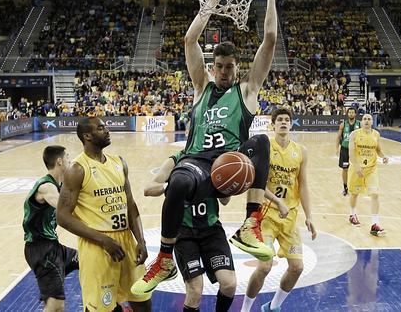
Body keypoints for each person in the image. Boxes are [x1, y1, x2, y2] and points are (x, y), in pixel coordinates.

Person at [131, 0, 278, 295]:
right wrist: (210, 3)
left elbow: (269, 39)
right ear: (213, 68)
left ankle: (251, 224)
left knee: (263, 142)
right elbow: (189, 40)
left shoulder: (247, 92)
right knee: (180, 183)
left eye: (229, 67)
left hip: (226, 165)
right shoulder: (201, 88)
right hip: (196, 165)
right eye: (219, 66)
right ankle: (165, 258)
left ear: (237, 69)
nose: (224, 71)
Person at [57, 117, 151, 312]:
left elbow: (130, 205)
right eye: (101, 128)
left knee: (142, 300)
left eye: (106, 127)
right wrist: (102, 239)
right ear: (87, 136)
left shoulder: (119, 163)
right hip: (97, 246)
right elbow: (63, 216)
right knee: (101, 308)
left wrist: (140, 240)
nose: (107, 130)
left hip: (126, 241)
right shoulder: (77, 169)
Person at [241, 108, 317, 312]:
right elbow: (257, 183)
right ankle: (246, 309)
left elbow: (304, 185)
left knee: (297, 267)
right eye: (279, 120)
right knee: (264, 266)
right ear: (272, 124)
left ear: (291, 124)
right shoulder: (265, 147)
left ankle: (273, 307)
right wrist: (278, 201)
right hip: (266, 215)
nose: (283, 122)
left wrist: (309, 216)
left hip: (289, 217)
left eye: (287, 120)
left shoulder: (301, 151)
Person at [144, 151, 236, 312]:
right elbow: (148, 189)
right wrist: (173, 187)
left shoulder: (216, 158)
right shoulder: (176, 159)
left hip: (211, 230)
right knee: (195, 290)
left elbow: (225, 200)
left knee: (229, 284)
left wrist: (227, 179)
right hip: (184, 232)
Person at [22, 146, 78, 312]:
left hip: (54, 247)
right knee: (56, 306)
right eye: (68, 157)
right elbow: (66, 209)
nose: (71, 160)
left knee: (89, 259)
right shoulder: (46, 187)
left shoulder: (58, 185)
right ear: (59, 161)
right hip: (41, 251)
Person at [347, 114, 389, 236]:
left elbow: (378, 150)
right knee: (354, 194)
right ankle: (352, 214)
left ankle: (375, 225)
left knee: (375, 194)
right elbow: (350, 152)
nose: (366, 121)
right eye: (364, 119)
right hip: (357, 169)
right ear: (361, 122)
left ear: (372, 122)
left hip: (372, 169)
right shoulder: (354, 134)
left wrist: (384, 156)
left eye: (369, 119)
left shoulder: (376, 134)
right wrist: (356, 166)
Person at [335, 107, 361, 196]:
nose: (351, 114)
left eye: (352, 112)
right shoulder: (343, 124)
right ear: (347, 114)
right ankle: (345, 187)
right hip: (345, 149)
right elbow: (338, 136)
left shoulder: (359, 124)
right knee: (345, 169)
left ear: (355, 114)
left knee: (357, 168)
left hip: (356, 150)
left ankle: (356, 186)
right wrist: (336, 148)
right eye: (349, 112)